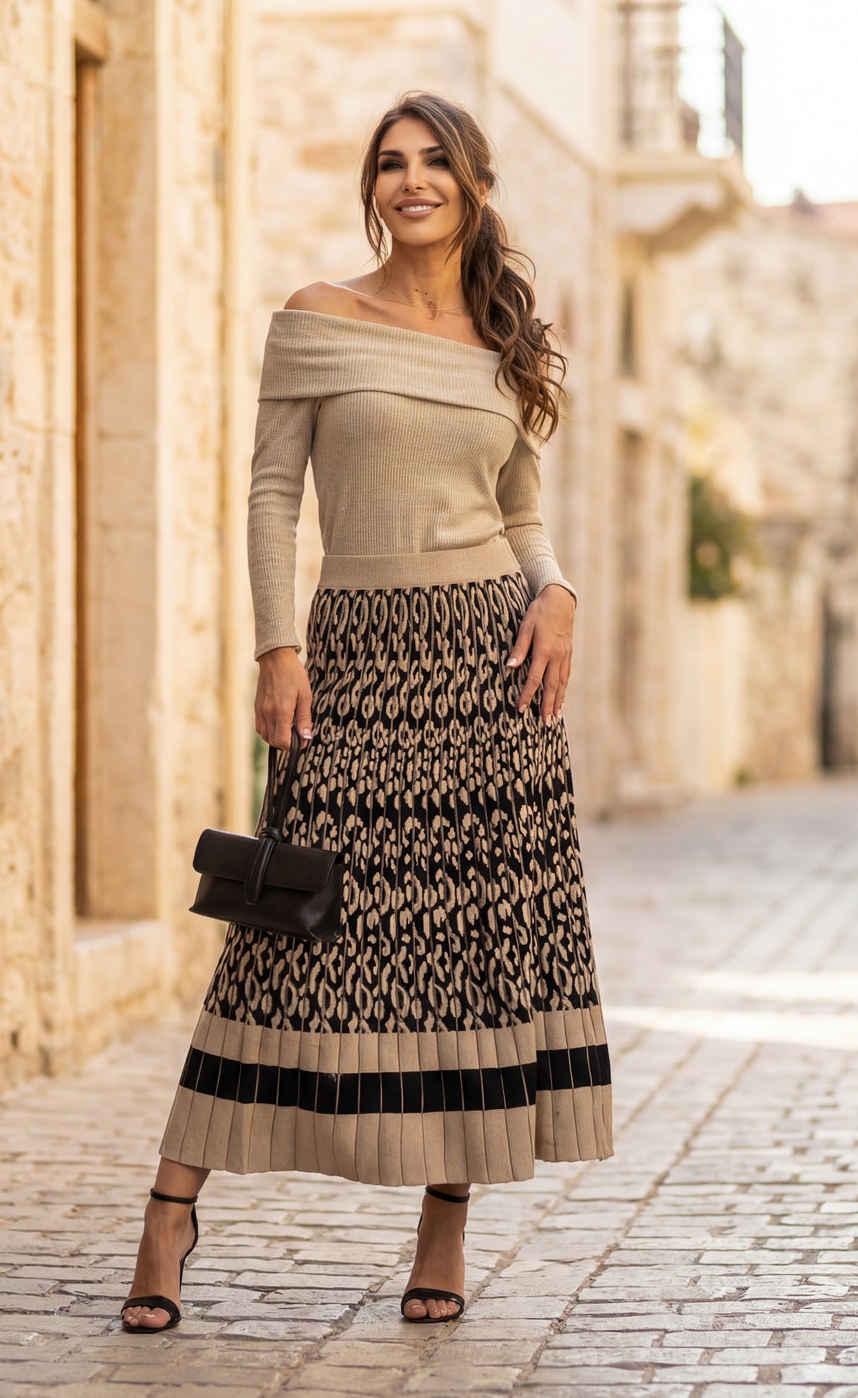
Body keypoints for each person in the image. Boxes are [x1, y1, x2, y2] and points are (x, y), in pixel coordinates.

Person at [120, 90, 614, 1333]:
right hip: (354, 662)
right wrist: (275, 647)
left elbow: (519, 510)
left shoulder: (505, 344)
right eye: (390, 163)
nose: (410, 181)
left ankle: (443, 1225)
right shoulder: (318, 316)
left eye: (434, 161)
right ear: (372, 188)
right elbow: (270, 494)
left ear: (473, 185)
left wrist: (557, 591)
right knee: (281, 939)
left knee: (469, 947)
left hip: (489, 670)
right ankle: (170, 1210)